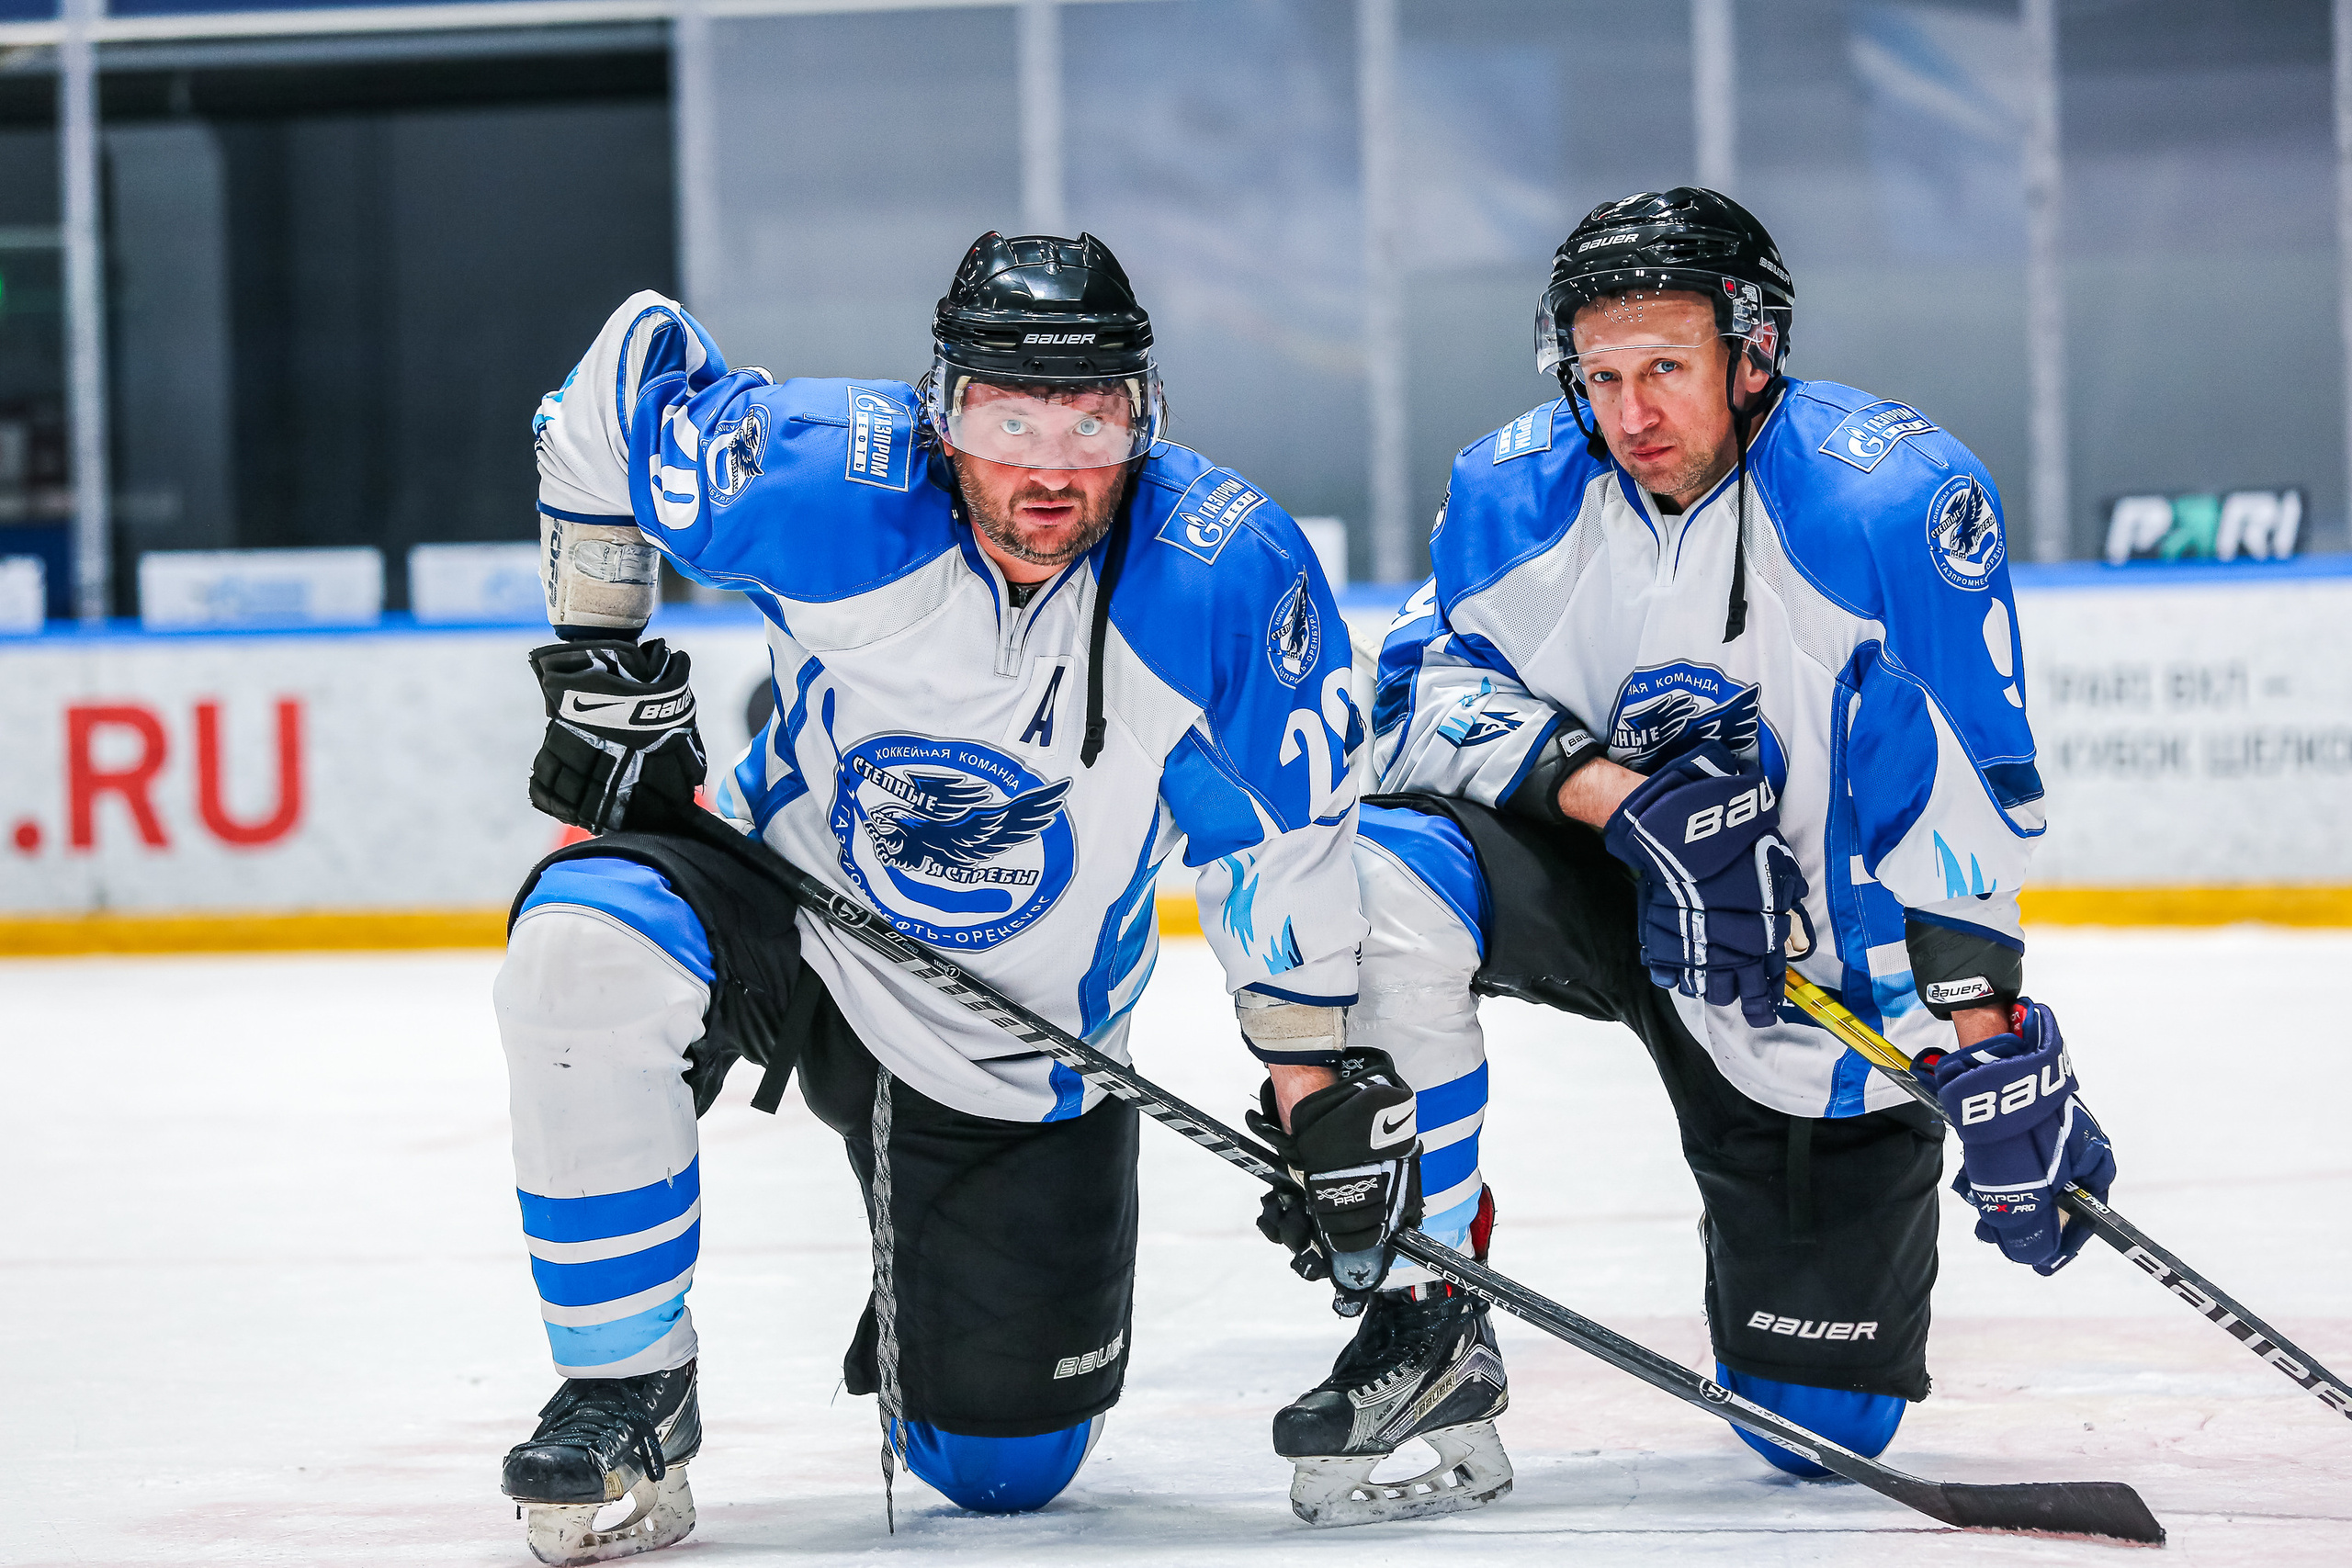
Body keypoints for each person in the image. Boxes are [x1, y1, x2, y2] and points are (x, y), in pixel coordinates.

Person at [494, 231, 1368, 1563]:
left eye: (1093, 421)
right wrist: (600, 656)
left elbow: (1275, 851)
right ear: (938, 412)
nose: (1050, 470)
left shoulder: (1223, 575)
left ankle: (946, 1305)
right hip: (787, 908)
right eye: (1005, 418)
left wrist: (1312, 1084)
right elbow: (614, 388)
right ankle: (627, 1389)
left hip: (1015, 1042)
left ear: (1144, 417)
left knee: (1006, 1476)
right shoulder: (829, 480)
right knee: (580, 947)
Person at [1249, 187, 2117, 1521]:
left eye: (1664, 368)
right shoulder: (1514, 490)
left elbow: (1952, 784)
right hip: (1613, 891)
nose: (1630, 413)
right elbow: (1410, 702)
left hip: (1798, 965)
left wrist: (1984, 1035)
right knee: (1383, 881)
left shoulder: (1887, 502)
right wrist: (1617, 801)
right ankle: (1431, 1315)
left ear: (1752, 348)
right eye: (1600, 375)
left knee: (1815, 1428)